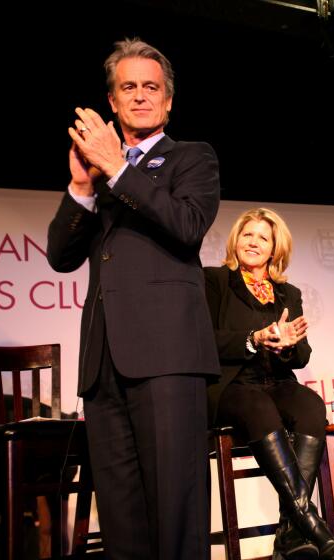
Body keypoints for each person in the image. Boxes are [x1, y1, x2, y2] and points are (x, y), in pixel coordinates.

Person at [46, 38, 220, 560]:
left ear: (168, 102)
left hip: (168, 359)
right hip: (104, 364)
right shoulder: (97, 177)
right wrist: (82, 184)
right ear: (112, 102)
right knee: (122, 525)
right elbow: (60, 256)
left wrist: (118, 169)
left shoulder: (192, 157)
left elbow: (187, 226)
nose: (140, 96)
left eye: (151, 87)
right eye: (129, 87)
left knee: (175, 518)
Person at [205, 208, 334, 560]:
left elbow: (302, 357)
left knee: (312, 406)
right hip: (233, 385)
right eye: (247, 235)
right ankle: (311, 521)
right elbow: (203, 338)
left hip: (277, 380)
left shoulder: (289, 294)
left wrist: (287, 345)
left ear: (275, 249)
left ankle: (289, 530)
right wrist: (253, 338)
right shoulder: (215, 281)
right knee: (260, 408)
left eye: (262, 238)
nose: (253, 242)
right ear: (236, 240)